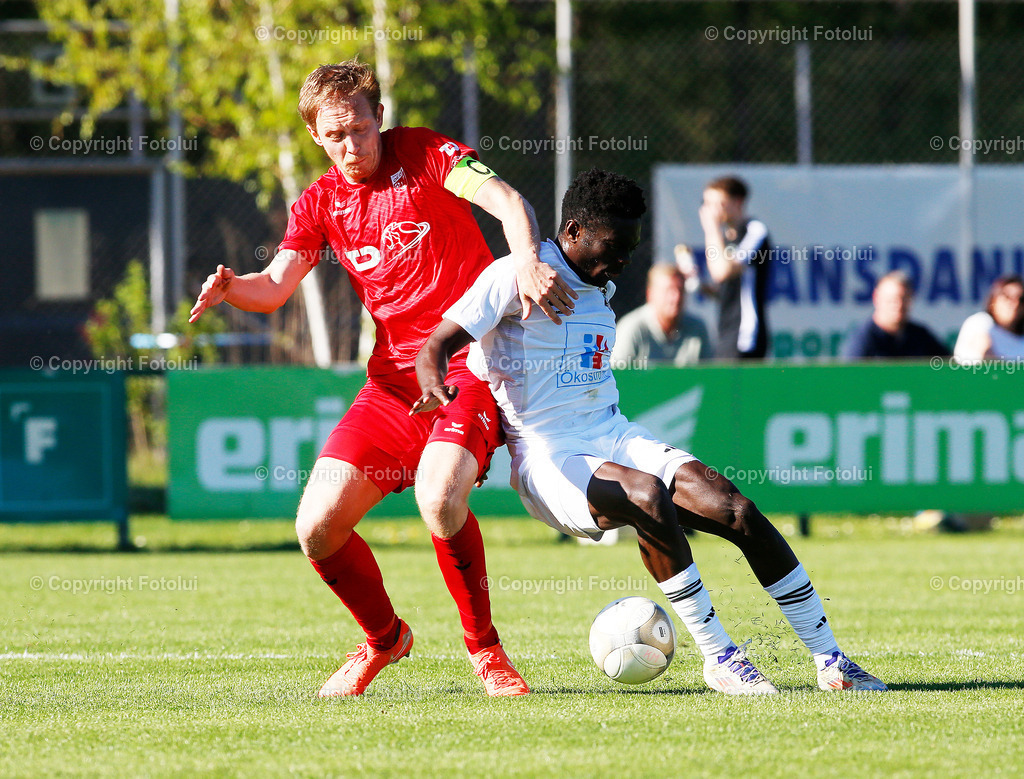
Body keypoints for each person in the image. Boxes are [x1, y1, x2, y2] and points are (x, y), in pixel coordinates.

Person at [189, 61, 578, 698]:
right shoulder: (320, 202)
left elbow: (507, 200)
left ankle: (485, 652)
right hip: (394, 387)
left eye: (361, 129)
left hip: (469, 366)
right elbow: (278, 285)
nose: (351, 145)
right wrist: (235, 290)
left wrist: (528, 258)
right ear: (315, 134)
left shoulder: (427, 154)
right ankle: (385, 640)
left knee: (439, 498)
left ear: (379, 118)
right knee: (316, 526)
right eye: (336, 135)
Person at [414, 169, 886, 695]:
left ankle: (832, 661)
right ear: (573, 230)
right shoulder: (515, 275)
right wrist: (438, 392)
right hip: (548, 457)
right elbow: (434, 346)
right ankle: (721, 657)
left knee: (735, 508)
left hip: (611, 433)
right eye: (614, 246)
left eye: (631, 248)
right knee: (646, 496)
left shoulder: (600, 285)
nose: (623, 261)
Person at [699, 176, 772, 360]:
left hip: (746, 337)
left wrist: (711, 228)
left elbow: (722, 272)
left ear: (737, 202)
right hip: (726, 332)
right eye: (707, 204)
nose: (712, 211)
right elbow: (724, 289)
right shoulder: (726, 238)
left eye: (719, 204)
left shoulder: (755, 231)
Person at [610, 264, 712, 368]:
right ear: (650, 294)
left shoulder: (697, 328)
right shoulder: (631, 329)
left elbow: (709, 376)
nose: (676, 297)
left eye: (680, 290)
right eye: (668, 290)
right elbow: (618, 377)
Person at [843, 271, 950, 359]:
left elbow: (949, 366)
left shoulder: (921, 335)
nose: (899, 305)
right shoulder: (862, 339)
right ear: (876, 298)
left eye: (904, 299)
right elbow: (850, 379)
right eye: (892, 299)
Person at [954, 274, 1024, 361]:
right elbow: (986, 360)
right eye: (1007, 296)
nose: (1015, 303)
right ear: (994, 299)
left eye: (1021, 299)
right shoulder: (980, 322)